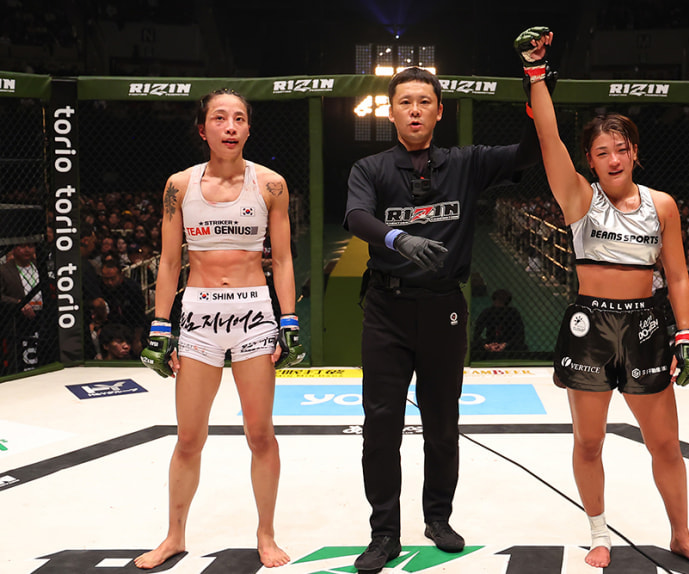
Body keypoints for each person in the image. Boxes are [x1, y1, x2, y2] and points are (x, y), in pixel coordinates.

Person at [521, 27, 689, 571]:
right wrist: (535, 73)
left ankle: (681, 535)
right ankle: (598, 532)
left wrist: (686, 334)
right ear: (589, 160)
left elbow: (677, 276)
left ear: (634, 152)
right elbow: (548, 138)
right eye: (602, 152)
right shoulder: (578, 198)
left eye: (621, 149)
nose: (613, 159)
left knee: (666, 445)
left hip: (647, 328)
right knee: (589, 442)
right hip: (591, 327)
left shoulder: (663, 205)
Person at [344, 64, 543, 571]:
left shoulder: (466, 163)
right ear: (391, 112)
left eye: (424, 102)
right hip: (387, 309)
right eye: (405, 102)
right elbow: (357, 217)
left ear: (439, 112)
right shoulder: (370, 167)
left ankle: (438, 518)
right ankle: (384, 532)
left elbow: (530, 151)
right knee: (381, 425)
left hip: (443, 308)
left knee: (442, 422)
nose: (415, 110)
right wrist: (398, 238)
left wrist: (535, 88)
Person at [135, 88, 305, 570]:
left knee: (261, 434)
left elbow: (283, 259)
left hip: (254, 313)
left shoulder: (270, 184)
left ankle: (266, 534)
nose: (230, 126)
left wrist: (289, 319)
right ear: (202, 128)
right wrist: (161, 325)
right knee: (189, 437)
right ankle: (174, 536)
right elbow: (170, 261)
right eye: (219, 118)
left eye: (239, 119)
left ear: (248, 128)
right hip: (198, 316)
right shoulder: (179, 186)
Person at [0, 242, 43, 371]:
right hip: (17, 319)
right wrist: (18, 303)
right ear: (14, 248)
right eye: (22, 246)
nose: (27, 250)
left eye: (30, 246)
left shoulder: (40, 266)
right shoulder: (3, 270)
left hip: (42, 315)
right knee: (22, 358)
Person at [472, 288, 527, 360]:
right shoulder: (487, 312)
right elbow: (476, 333)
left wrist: (505, 344)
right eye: (497, 301)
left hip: (508, 343)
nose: (498, 304)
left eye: (501, 302)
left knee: (522, 347)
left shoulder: (513, 313)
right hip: (490, 341)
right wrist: (486, 345)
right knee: (473, 346)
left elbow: (520, 335)